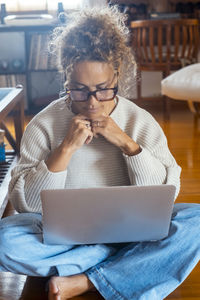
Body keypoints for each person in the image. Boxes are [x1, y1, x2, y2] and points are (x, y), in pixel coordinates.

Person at [0, 6, 199, 300]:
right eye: (79, 91)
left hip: (133, 233)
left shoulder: (140, 120)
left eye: (103, 90)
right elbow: (28, 206)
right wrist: (66, 148)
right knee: (4, 240)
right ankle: (126, 265)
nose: (92, 103)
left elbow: (166, 194)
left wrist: (127, 145)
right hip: (68, 240)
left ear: (117, 75)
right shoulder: (43, 124)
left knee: (196, 221)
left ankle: (84, 280)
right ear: (66, 78)